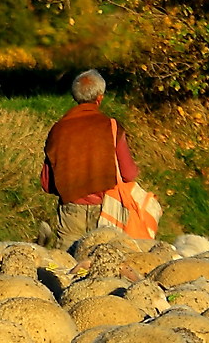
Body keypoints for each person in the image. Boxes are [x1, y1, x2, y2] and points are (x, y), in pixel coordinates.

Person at [41, 69, 140, 245]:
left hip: (71, 210)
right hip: (106, 211)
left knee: (68, 266)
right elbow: (129, 174)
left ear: (75, 97)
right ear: (100, 97)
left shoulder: (58, 129)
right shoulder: (111, 127)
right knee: (103, 264)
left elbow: (47, 183)